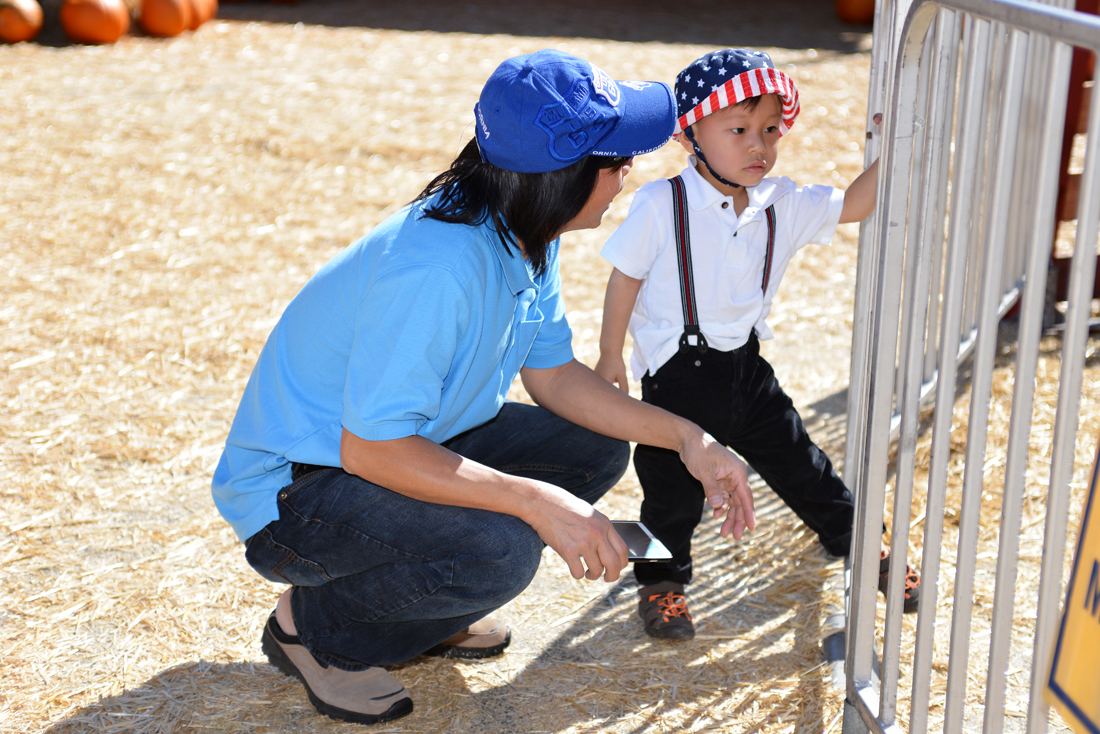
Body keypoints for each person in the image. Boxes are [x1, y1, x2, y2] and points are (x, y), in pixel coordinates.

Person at [211, 49, 757, 726]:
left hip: (394, 445)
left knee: (591, 451)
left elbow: (554, 376)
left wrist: (688, 437)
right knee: (500, 551)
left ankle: (420, 607)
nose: (627, 176)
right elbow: (372, 450)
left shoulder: (523, 228)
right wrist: (536, 502)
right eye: (617, 162)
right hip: (298, 493)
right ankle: (318, 632)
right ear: (565, 174)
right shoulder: (439, 269)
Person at [594, 48, 920, 641]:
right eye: (738, 130)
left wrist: (896, 147)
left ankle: (857, 542)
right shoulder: (661, 203)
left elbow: (855, 204)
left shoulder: (782, 204)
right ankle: (662, 585)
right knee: (670, 494)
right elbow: (626, 277)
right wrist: (612, 353)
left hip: (746, 369)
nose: (758, 146)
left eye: (770, 130)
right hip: (675, 380)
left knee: (802, 462)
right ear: (691, 136)